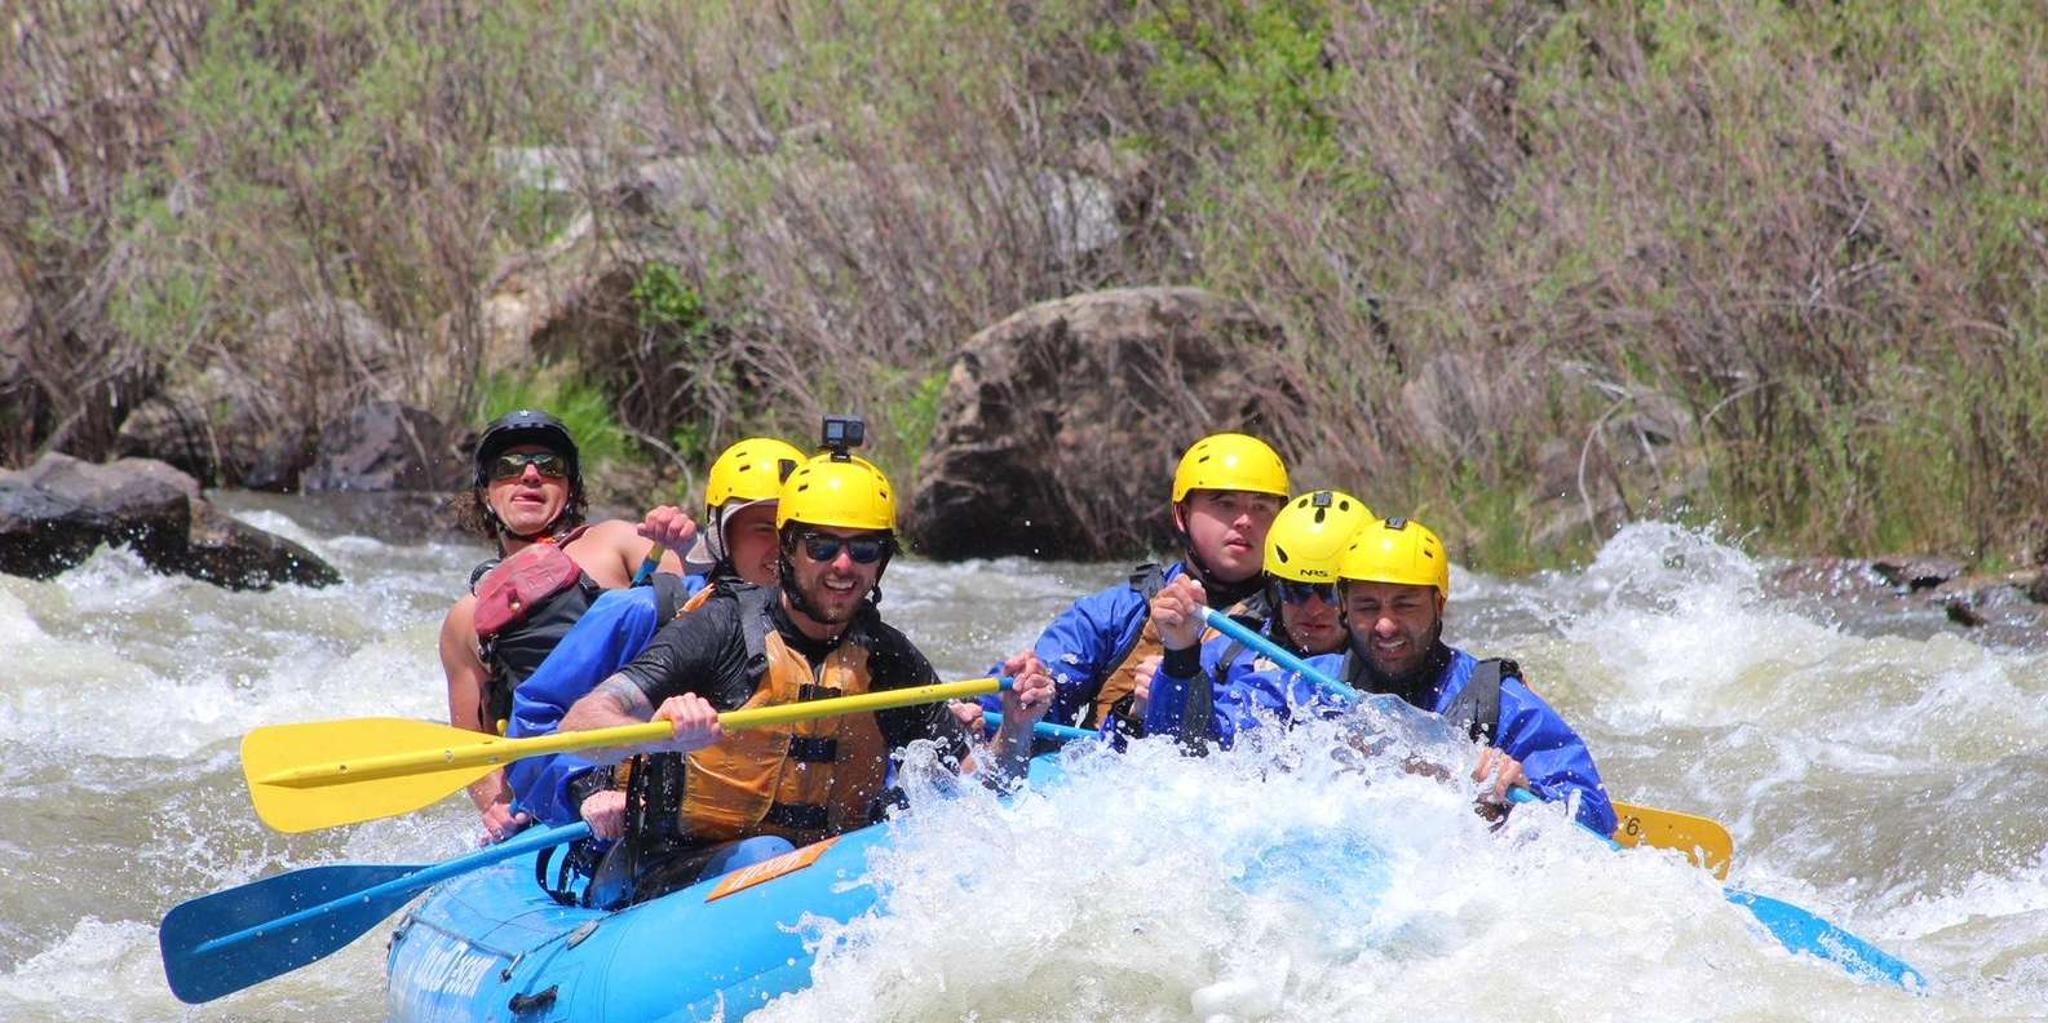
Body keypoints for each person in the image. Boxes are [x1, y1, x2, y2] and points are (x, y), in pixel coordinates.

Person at [558, 445, 1055, 902]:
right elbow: (580, 726)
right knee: (766, 854)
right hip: (670, 877)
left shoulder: (888, 658)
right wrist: (656, 735)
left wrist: (1016, 726)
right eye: (821, 546)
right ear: (788, 549)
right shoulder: (720, 626)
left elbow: (980, 795)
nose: (843, 566)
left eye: (863, 550)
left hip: (816, 884)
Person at [1151, 516, 1618, 833]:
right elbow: (1187, 758)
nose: (1386, 625)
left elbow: (1595, 819)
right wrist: (1180, 655)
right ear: (1345, 610)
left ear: (1439, 606)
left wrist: (1518, 797)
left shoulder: (1497, 701)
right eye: (1368, 607)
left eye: (1405, 605)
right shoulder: (1306, 687)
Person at [506, 436, 806, 827]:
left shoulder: (831, 629)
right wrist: (585, 789)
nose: (782, 549)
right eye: (764, 529)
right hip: (624, 833)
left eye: (795, 532)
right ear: (720, 535)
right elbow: (536, 726)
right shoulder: (642, 611)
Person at [438, 409, 698, 840]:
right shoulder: (466, 617)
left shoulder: (619, 540)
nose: (530, 476)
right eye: (508, 468)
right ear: (485, 492)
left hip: (650, 742)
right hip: (558, 786)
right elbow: (473, 747)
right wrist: (495, 807)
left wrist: (683, 547)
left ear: (571, 487)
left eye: (550, 466)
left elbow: (703, 613)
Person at [988, 432, 1290, 734]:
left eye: (1261, 507)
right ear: (1182, 514)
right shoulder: (1120, 610)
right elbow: (1042, 684)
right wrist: (1019, 695)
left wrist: (1172, 689)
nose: (1245, 521)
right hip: (1102, 766)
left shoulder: (1294, 624)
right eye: (1225, 504)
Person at [1143, 489, 1371, 745]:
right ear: (1273, 590)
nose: (1313, 609)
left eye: (1330, 593)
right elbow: (1178, 751)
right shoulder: (1223, 658)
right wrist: (1177, 663)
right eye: (1295, 590)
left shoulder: (1393, 662)